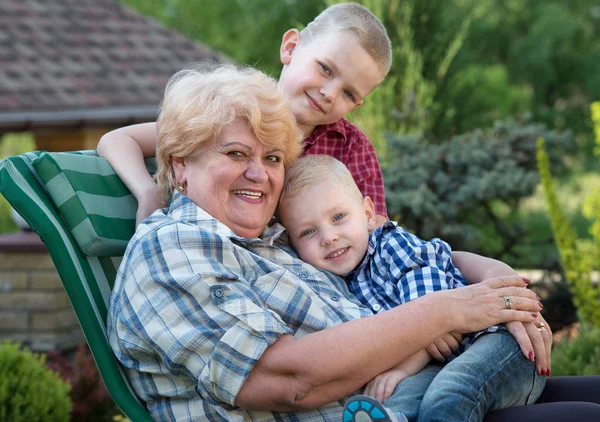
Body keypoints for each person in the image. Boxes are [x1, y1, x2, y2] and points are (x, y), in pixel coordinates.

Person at [107, 62, 550, 422]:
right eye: (237, 154)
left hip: (419, 388)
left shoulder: (274, 242)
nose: (260, 175)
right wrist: (447, 311)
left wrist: (500, 288)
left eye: (273, 158)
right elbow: (292, 380)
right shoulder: (174, 249)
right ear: (181, 164)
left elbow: (404, 253)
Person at [277, 155, 546, 421]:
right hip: (436, 363)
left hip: (496, 342)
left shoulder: (390, 244)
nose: (329, 237)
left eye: (338, 217)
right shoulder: (333, 283)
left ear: (368, 214)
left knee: (450, 393)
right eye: (308, 232)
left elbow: (435, 315)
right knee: (399, 404)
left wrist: (400, 370)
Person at [98, 2, 391, 226]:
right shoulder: (231, 113)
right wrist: (147, 192)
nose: (330, 93)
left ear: (356, 105)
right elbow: (117, 141)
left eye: (349, 94)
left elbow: (373, 227)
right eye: (325, 69)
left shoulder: (351, 147)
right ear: (290, 47)